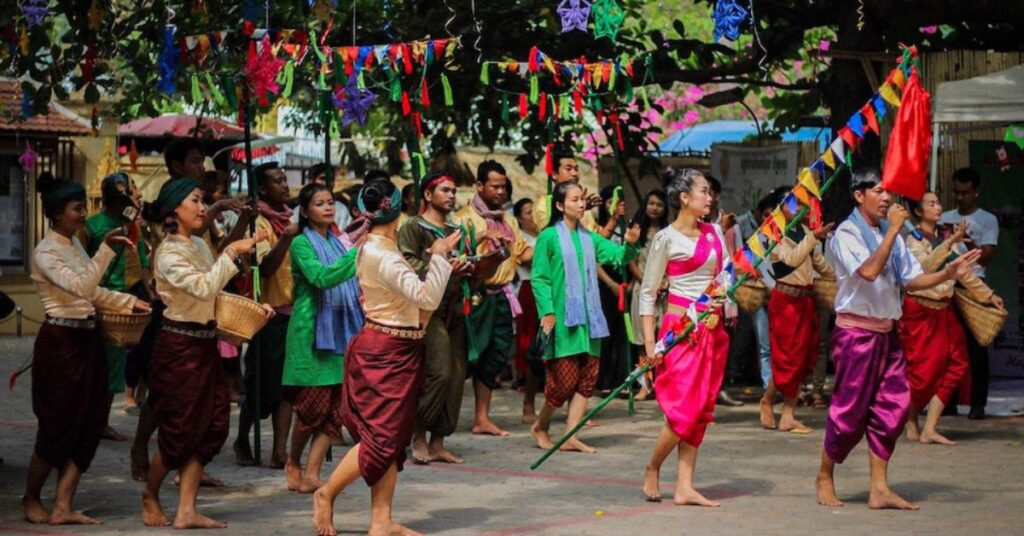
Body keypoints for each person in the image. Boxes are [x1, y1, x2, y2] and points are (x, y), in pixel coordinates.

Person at [816, 168, 980, 510]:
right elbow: (869, 272)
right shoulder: (847, 233)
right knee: (849, 413)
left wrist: (948, 272)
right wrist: (892, 229)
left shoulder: (889, 235)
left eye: (888, 191)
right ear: (859, 195)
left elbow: (913, 280)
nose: (887, 198)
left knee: (893, 407)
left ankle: (879, 488)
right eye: (878, 191)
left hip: (888, 333)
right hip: (855, 334)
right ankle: (825, 474)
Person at [312, 180, 462, 536]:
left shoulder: (380, 247)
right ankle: (326, 492)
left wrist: (439, 261)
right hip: (385, 352)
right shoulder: (381, 253)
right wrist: (439, 257)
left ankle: (381, 520)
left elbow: (412, 302)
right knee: (381, 440)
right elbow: (426, 298)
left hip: (399, 348)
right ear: (397, 212)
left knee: (392, 438)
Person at [140, 177, 268, 528]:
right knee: (180, 429)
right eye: (195, 201)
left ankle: (186, 509)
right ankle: (150, 493)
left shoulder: (196, 243)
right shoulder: (168, 252)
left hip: (205, 342)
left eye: (202, 201)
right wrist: (230, 254)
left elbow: (217, 286)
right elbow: (203, 286)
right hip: (178, 346)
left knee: (210, 423)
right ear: (174, 208)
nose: (202, 208)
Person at [23, 173, 149, 525]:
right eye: (78, 209)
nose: (83, 215)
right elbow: (81, 288)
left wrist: (127, 302)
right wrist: (107, 248)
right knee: (56, 425)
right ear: (57, 214)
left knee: (90, 423)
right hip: (60, 344)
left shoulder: (74, 245)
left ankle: (63, 503)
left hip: (88, 338)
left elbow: (94, 294)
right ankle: (31, 497)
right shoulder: (45, 251)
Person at [639, 169, 730, 506]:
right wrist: (651, 346)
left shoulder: (715, 233)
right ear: (684, 199)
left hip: (712, 330)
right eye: (704, 191)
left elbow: (725, 277)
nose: (710, 197)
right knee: (683, 413)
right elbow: (648, 294)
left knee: (701, 410)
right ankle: (653, 466)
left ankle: (685, 486)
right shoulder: (666, 239)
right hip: (679, 334)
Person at [530, 181, 640, 454]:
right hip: (563, 318)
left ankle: (570, 434)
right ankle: (540, 425)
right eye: (575, 199)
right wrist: (547, 312)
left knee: (587, 379)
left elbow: (617, 257)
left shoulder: (588, 237)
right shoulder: (549, 237)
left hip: (590, 318)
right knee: (564, 381)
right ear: (559, 205)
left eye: (582, 199)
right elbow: (539, 278)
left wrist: (630, 246)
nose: (581, 204)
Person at [901, 191, 1003, 444]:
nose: (938, 207)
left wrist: (988, 294)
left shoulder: (947, 239)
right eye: (931, 203)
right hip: (920, 310)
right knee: (922, 372)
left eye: (938, 202)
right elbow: (924, 269)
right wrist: (948, 245)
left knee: (957, 365)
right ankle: (911, 419)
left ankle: (931, 426)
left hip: (944, 310)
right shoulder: (912, 240)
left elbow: (964, 273)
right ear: (918, 211)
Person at [282, 182, 364, 493]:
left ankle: (313, 472)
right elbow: (321, 277)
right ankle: (293, 460)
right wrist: (355, 254)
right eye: (320, 203)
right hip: (312, 333)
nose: (328, 208)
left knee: (335, 412)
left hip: (342, 329)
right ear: (305, 211)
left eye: (330, 202)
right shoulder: (302, 244)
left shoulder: (339, 241)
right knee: (310, 407)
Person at [398, 172, 473, 464]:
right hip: (426, 311)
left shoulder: (457, 229)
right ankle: (416, 432)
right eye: (445, 189)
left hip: (454, 307)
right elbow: (407, 264)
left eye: (454, 190)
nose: (452, 195)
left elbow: (465, 264)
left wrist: (470, 265)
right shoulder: (413, 227)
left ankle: (438, 441)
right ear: (428, 195)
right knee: (439, 371)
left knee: (456, 374)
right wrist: (439, 261)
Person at [455, 161, 533, 437]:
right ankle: (440, 417)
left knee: (496, 355)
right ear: (480, 186)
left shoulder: (509, 220)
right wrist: (482, 236)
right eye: (495, 186)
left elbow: (521, 254)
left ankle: (482, 418)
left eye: (503, 186)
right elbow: (456, 255)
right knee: (466, 356)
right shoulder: (464, 217)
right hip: (474, 295)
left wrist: (549, 240)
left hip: (503, 295)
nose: (501, 191)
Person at [234, 162, 299, 469]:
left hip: (294, 314)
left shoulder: (290, 218)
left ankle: (279, 450)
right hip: (266, 314)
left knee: (288, 388)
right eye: (277, 181)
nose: (285, 185)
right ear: (262, 189)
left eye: (285, 180)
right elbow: (264, 269)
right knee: (261, 386)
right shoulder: (257, 222)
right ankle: (242, 437)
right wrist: (286, 238)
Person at [78, 172, 152, 436]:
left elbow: (142, 258)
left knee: (115, 362)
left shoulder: (132, 225)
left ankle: (101, 422)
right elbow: (81, 263)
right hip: (95, 298)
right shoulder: (92, 226)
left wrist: (146, 289)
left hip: (125, 300)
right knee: (90, 363)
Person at [759, 202, 836, 433]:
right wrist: (813, 237)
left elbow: (819, 264)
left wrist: (842, 278)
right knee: (787, 359)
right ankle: (769, 401)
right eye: (794, 204)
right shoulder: (774, 231)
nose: (800, 208)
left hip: (806, 300)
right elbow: (791, 259)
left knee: (803, 358)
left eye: (803, 205)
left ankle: (787, 415)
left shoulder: (803, 232)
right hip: (785, 302)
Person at [940, 167, 999, 420]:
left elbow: (985, 258)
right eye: (956, 192)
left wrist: (965, 240)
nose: (960, 197)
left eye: (965, 192)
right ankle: (947, 402)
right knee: (948, 346)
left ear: (976, 192)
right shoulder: (944, 217)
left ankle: (977, 404)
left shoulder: (987, 220)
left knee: (976, 347)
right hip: (947, 284)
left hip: (974, 283)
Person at [628, 190, 670, 400]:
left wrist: (664, 283)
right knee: (643, 341)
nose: (654, 208)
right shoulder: (636, 231)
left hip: (665, 291)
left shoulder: (670, 232)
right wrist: (648, 283)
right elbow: (630, 261)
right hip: (641, 289)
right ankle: (645, 386)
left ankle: (663, 385)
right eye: (651, 203)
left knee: (664, 340)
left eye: (659, 204)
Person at [532, 146, 616, 237]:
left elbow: (598, 242)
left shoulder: (582, 205)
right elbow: (552, 236)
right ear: (554, 174)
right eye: (568, 169)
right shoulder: (543, 204)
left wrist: (615, 218)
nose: (574, 174)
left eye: (576, 169)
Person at [512, 197, 543, 424]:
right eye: (528, 212)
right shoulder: (522, 238)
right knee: (531, 343)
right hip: (530, 288)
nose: (533, 216)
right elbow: (524, 260)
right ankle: (528, 401)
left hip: (552, 290)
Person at [293, 163, 353, 232]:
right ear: (311, 181)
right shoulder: (297, 211)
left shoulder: (342, 209)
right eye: (323, 178)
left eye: (331, 179)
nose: (328, 208)